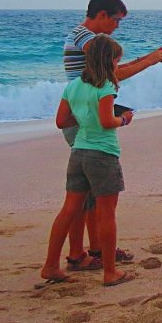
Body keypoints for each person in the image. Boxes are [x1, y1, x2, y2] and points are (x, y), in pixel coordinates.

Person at [62, 0, 162, 271]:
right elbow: (112, 74)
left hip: (84, 119)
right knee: (85, 195)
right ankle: (78, 253)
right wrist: (148, 62)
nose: (117, 27)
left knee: (90, 194)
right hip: (86, 125)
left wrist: (149, 56)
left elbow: (110, 70)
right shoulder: (86, 38)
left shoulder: (85, 39)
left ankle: (95, 248)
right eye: (116, 20)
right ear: (101, 16)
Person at [41, 35, 136, 286]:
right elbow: (107, 122)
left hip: (78, 152)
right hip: (102, 153)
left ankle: (51, 265)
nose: (118, 66)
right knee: (107, 214)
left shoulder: (73, 86)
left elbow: (61, 121)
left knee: (69, 209)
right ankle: (110, 272)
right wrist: (124, 119)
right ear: (109, 61)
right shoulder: (106, 86)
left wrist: (85, 118)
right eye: (117, 61)